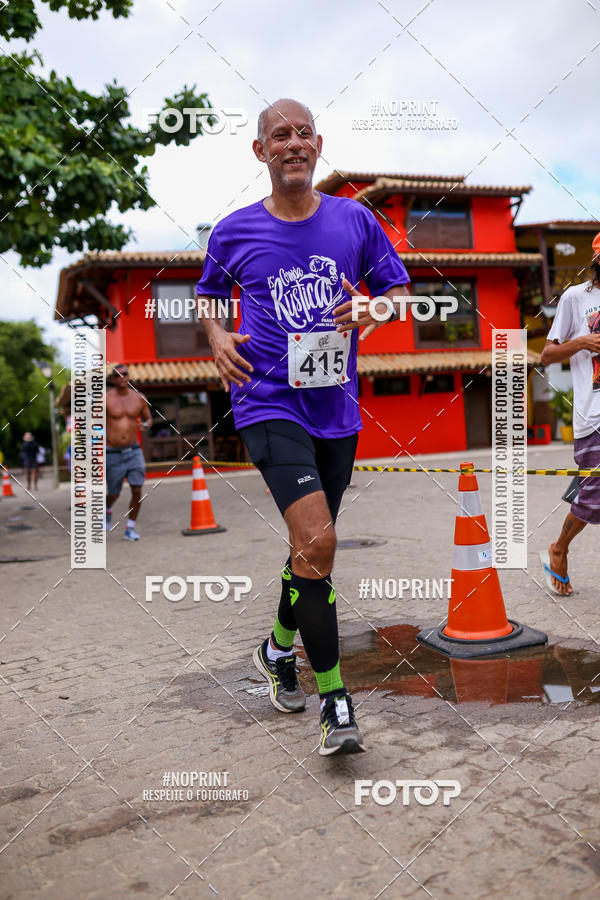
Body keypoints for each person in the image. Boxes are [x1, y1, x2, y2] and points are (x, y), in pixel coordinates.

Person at [196, 98, 410, 755]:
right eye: (278, 135)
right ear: (260, 152)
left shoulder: (354, 220)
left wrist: (373, 307)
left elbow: (399, 295)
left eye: (302, 134)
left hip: (336, 410)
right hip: (265, 400)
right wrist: (214, 334)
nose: (292, 143)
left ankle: (274, 649)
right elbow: (208, 292)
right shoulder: (233, 231)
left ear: (318, 146)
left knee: (309, 551)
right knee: (320, 542)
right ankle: (336, 704)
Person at [540, 231, 600, 595]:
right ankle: (559, 548)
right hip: (594, 417)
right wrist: (582, 342)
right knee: (593, 498)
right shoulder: (577, 298)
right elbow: (547, 355)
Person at [105, 364, 152, 541]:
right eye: (117, 375)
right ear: (112, 379)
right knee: (113, 493)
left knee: (137, 489)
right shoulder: (105, 399)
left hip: (133, 450)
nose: (121, 377)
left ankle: (130, 528)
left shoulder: (139, 398)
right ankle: (108, 509)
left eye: (124, 374)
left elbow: (148, 418)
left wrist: (145, 425)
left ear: (128, 376)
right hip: (113, 453)